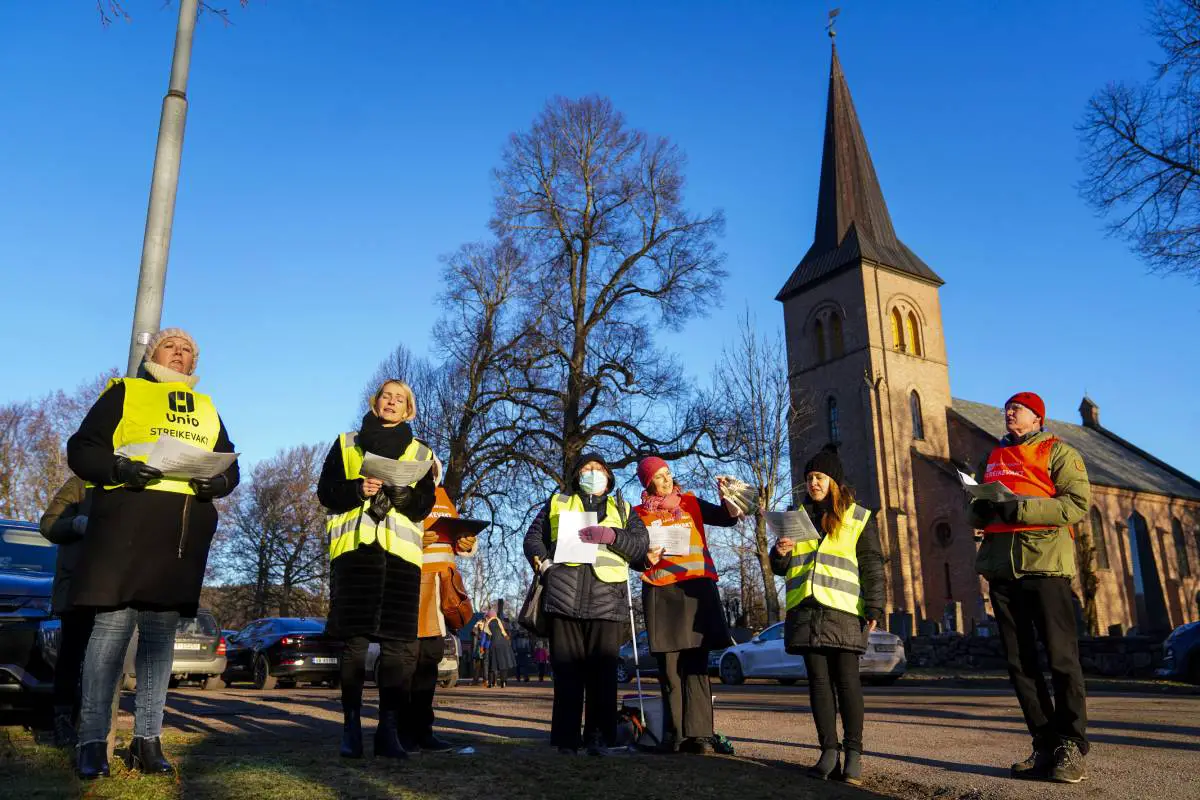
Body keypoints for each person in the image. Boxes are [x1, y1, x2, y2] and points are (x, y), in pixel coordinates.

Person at [66, 328, 239, 779]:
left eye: (188, 351)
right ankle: (91, 742)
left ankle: (148, 741)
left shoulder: (205, 407)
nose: (179, 354)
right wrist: (119, 467)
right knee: (110, 635)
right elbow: (82, 449)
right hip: (125, 526)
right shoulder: (126, 392)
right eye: (171, 346)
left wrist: (217, 483)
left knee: (160, 643)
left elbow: (230, 465)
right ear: (150, 354)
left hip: (179, 534)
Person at [968, 392, 1090, 784]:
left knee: (1061, 659)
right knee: (1020, 664)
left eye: (1016, 409)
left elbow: (1076, 504)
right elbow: (978, 508)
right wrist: (980, 508)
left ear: (1037, 418)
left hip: (1045, 566)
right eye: (1006, 408)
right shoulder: (992, 457)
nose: (1008, 413)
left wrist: (1019, 508)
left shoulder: (1060, 453)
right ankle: (1044, 743)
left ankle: (1071, 745)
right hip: (1003, 571)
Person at [317, 378, 437, 760]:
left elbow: (424, 506)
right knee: (353, 644)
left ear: (408, 410)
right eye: (386, 396)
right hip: (355, 553)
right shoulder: (346, 443)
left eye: (399, 399)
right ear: (375, 402)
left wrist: (405, 495)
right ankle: (351, 729)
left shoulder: (422, 452)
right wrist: (357, 489)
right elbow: (325, 493)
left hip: (400, 559)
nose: (391, 402)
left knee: (400, 649)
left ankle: (389, 731)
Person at [769, 445, 883, 786]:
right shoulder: (795, 517)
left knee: (847, 683)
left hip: (844, 610)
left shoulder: (858, 516)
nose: (812, 483)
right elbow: (781, 568)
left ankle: (854, 755)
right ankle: (828, 751)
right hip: (805, 609)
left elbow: (872, 565)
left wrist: (875, 605)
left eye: (819, 477)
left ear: (834, 480)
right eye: (808, 478)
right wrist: (780, 553)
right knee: (818, 684)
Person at [523, 454, 649, 755]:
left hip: (607, 600)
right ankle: (566, 739)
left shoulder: (623, 508)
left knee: (603, 676)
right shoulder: (557, 502)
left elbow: (640, 547)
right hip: (564, 598)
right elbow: (532, 539)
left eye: (598, 469)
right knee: (567, 675)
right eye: (586, 469)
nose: (592, 473)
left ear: (608, 476)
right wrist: (546, 567)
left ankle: (600, 737)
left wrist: (612, 535)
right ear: (576, 475)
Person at [633, 456, 742, 754]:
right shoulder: (637, 514)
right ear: (648, 482)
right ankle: (676, 735)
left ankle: (702, 736)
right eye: (658, 476)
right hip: (661, 593)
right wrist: (644, 558)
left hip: (696, 590)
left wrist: (728, 498)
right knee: (669, 668)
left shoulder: (691, 502)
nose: (666, 479)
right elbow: (632, 554)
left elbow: (728, 517)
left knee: (696, 665)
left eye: (668, 473)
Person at [407, 484, 480, 752]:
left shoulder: (442, 495)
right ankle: (403, 730)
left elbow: (456, 534)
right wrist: (414, 537)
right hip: (412, 586)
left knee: (429, 661)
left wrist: (467, 542)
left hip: (440, 588)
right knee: (408, 662)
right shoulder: (402, 489)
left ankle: (423, 731)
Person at [39, 474, 94, 748]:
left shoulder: (130, 486)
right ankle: (62, 720)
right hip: (77, 586)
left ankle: (94, 724)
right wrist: (75, 523)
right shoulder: (80, 485)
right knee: (71, 654)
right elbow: (48, 524)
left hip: (115, 583)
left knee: (105, 660)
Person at [485, 601, 516, 688]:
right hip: (503, 644)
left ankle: (490, 683)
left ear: (489, 616)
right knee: (503, 664)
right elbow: (503, 632)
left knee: (492, 664)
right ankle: (503, 682)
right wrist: (507, 639)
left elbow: (487, 637)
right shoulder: (499, 621)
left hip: (494, 644)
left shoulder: (487, 624)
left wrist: (484, 647)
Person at [470, 618, 489, 685]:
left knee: (485, 665)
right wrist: (475, 626)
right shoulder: (476, 631)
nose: (480, 626)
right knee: (477, 666)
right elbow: (473, 632)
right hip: (477, 651)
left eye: (481, 624)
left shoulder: (487, 630)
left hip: (484, 649)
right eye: (479, 625)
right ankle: (475, 680)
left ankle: (485, 680)